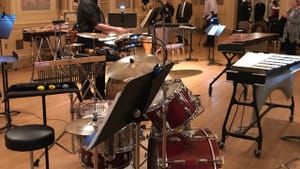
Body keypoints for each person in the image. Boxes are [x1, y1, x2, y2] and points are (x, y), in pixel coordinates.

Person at [77, 0, 128, 99]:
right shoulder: (87, 3)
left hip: (94, 42)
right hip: (88, 44)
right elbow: (96, 25)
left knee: (99, 65)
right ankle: (95, 94)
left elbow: (96, 27)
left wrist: (108, 33)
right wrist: (117, 29)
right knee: (101, 63)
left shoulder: (92, 3)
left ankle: (97, 93)